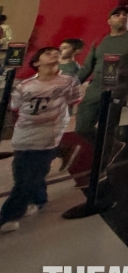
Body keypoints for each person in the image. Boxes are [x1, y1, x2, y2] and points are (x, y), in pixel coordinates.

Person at [1, 47, 82, 233]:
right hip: (24, 135)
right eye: (47, 53)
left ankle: (7, 217)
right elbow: (15, 105)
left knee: (27, 179)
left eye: (56, 52)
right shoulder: (25, 85)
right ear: (37, 62)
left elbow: (74, 100)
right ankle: (39, 198)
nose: (54, 53)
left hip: (48, 136)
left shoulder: (69, 81)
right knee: (21, 172)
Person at [74, 7, 128, 182]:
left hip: (118, 88)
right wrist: (72, 84)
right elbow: (88, 66)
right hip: (95, 88)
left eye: (126, 15)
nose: (122, 17)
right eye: (117, 15)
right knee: (82, 127)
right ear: (109, 20)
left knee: (107, 127)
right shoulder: (100, 40)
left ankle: (101, 167)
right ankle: (110, 146)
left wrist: (123, 72)